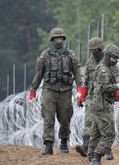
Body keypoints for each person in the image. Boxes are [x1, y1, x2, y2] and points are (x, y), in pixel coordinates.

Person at [28, 27, 84, 155]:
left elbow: (77, 73)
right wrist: (33, 90)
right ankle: (48, 144)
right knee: (48, 118)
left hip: (65, 91)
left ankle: (64, 141)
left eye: (60, 38)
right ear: (52, 40)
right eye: (56, 38)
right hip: (49, 91)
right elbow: (39, 74)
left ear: (63, 40)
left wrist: (81, 89)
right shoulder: (45, 56)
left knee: (65, 118)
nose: (58, 41)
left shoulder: (70, 55)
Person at [75, 37, 118, 160]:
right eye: (92, 50)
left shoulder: (110, 60)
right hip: (92, 97)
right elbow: (87, 81)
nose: (94, 52)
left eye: (96, 50)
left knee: (105, 125)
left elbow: (118, 75)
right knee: (89, 122)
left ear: (101, 49)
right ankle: (86, 147)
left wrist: (117, 89)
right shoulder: (90, 62)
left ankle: (107, 150)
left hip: (106, 98)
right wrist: (82, 97)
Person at [88, 44, 119, 165]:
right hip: (102, 106)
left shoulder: (107, 68)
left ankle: (91, 156)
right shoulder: (103, 70)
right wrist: (117, 86)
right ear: (108, 56)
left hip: (98, 104)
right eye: (114, 58)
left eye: (117, 59)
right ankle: (96, 157)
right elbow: (103, 88)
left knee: (96, 133)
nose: (115, 61)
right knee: (109, 134)